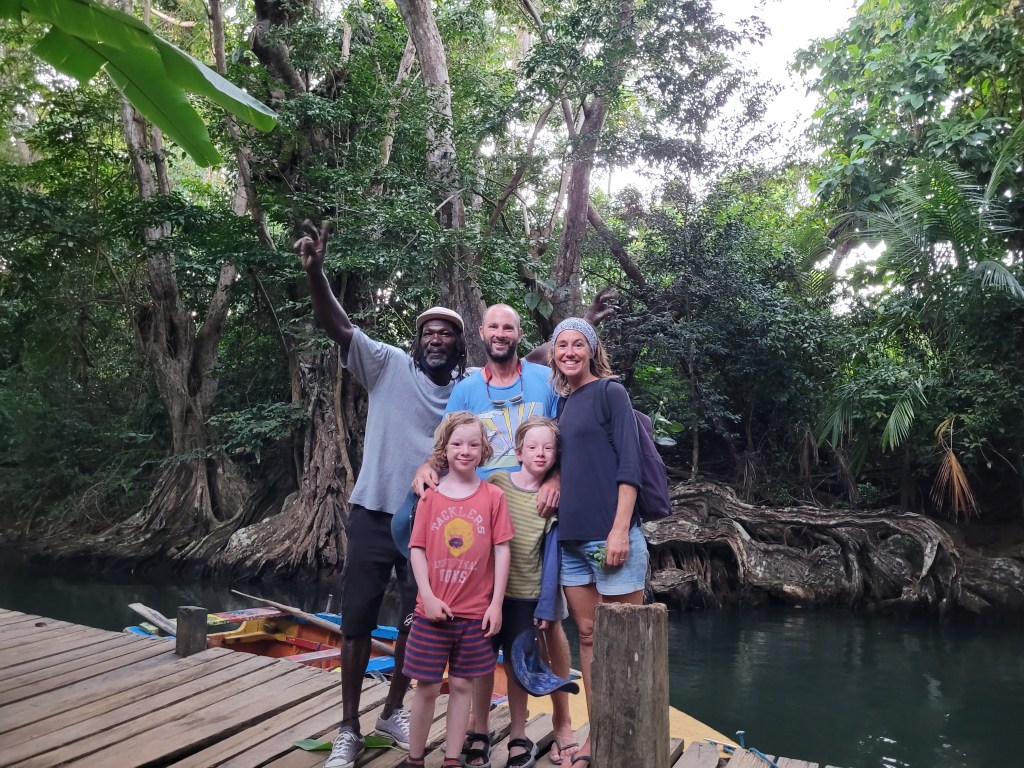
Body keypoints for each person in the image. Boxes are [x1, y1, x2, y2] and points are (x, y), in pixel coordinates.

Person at [294, 221, 468, 768]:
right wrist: (317, 273)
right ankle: (347, 728)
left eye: (446, 334)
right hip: (373, 512)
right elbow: (338, 326)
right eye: (428, 333)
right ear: (418, 341)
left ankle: (392, 710)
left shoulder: (468, 390)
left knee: (418, 622)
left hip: (430, 523)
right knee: (357, 622)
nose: (435, 339)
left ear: (459, 344)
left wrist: (576, 330)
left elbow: (522, 361)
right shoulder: (388, 364)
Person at [412, 304, 581, 766]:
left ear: (518, 334)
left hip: (535, 512)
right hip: (479, 516)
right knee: (481, 634)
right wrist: (427, 467)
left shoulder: (544, 380)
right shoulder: (468, 387)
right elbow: (448, 440)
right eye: (494, 327)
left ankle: (562, 722)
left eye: (509, 327)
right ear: (482, 333)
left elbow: (565, 437)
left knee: (544, 620)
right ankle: (478, 725)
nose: (501, 334)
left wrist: (555, 478)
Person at [548, 317, 645, 768]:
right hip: (571, 541)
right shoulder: (563, 404)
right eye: (561, 345)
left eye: (577, 344)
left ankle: (628, 740)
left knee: (623, 642)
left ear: (591, 349)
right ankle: (596, 736)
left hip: (610, 537)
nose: (569, 352)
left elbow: (630, 463)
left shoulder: (610, 392)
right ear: (554, 354)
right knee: (587, 637)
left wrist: (620, 528)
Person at [404, 412, 513, 768]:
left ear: (484, 451)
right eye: (457, 444)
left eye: (473, 445)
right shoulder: (430, 498)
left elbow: (502, 550)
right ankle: (415, 757)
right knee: (426, 686)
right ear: (444, 449)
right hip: (431, 613)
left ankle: (452, 757)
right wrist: (428, 597)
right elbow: (417, 549)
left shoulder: (493, 496)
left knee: (463, 685)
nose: (465, 451)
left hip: (474, 614)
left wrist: (496, 604)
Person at [487, 416, 563, 768]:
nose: (540, 453)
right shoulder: (498, 483)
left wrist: (546, 605)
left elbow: (551, 557)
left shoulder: (552, 501)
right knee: (481, 664)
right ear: (518, 453)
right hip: (488, 596)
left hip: (526, 596)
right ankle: (478, 728)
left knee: (518, 667)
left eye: (548, 448)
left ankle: (518, 734)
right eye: (532, 447)